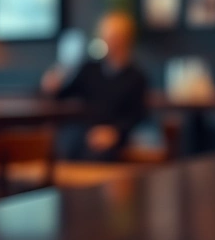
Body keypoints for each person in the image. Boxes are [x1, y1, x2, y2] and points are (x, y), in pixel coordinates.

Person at [42, 12, 148, 161]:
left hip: (114, 136)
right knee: (66, 143)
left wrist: (115, 132)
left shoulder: (136, 77)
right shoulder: (90, 69)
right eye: (105, 35)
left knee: (99, 154)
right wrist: (53, 85)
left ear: (126, 39)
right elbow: (63, 93)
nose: (108, 41)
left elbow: (137, 115)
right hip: (84, 131)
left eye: (113, 36)